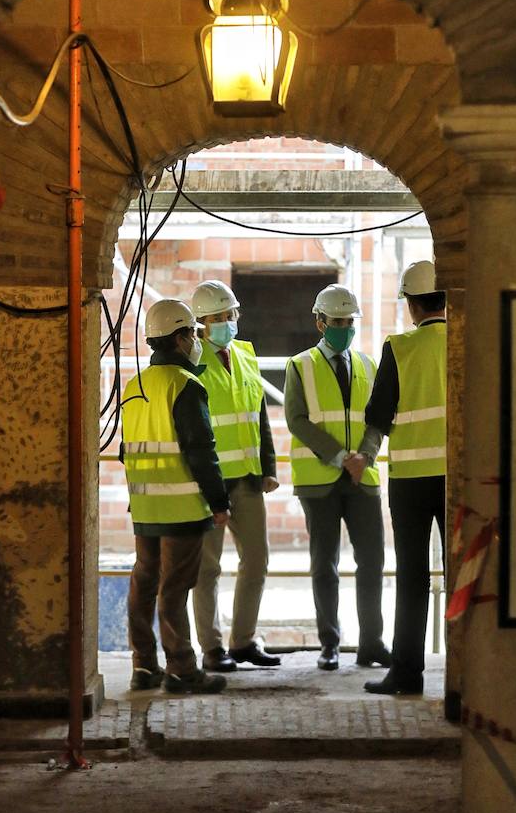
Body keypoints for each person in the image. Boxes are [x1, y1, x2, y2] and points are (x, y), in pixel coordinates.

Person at [120, 298, 230, 694]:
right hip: (182, 508)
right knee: (174, 590)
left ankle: (144, 667)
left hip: (145, 507)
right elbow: (201, 450)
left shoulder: (136, 386)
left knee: (144, 584)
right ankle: (182, 670)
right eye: (194, 334)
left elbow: (124, 450)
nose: (197, 340)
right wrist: (219, 502)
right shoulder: (186, 385)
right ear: (181, 338)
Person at [284, 283, 392, 672]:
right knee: (324, 565)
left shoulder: (368, 364)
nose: (344, 328)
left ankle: (372, 644)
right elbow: (296, 420)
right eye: (337, 322)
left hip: (363, 477)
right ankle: (329, 643)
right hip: (320, 480)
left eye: (349, 322)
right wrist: (338, 456)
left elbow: (379, 418)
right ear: (319, 323)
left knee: (372, 563)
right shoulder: (300, 366)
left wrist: (365, 456)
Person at [360, 259, 446, 697]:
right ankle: (468, 675)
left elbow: (378, 416)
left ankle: (407, 674)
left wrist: (363, 457)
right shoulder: (467, 340)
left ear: (412, 305)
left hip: (411, 479)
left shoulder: (400, 347)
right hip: (458, 480)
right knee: (464, 573)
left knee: (412, 577)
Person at [190, 279, 281, 672]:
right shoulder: (192, 362)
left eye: (231, 315)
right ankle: (212, 649)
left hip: (247, 478)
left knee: (257, 560)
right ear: (200, 325)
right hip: (209, 484)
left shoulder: (245, 354)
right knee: (207, 568)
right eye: (219, 317)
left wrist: (269, 468)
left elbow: (258, 415)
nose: (229, 322)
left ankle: (243, 641)